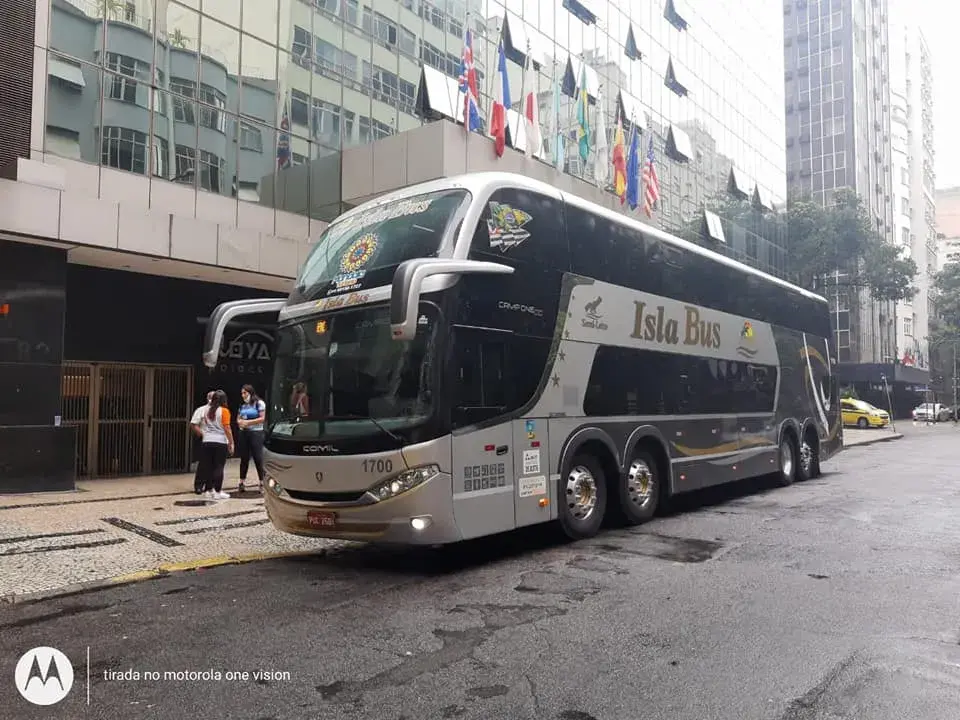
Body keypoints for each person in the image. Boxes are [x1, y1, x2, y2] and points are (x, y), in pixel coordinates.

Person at [190, 389, 234, 500]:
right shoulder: (224, 411)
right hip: (220, 441)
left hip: (207, 441)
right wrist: (231, 442)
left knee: (208, 466)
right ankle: (217, 491)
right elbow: (227, 428)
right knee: (219, 467)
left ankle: (208, 490)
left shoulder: (206, 410)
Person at [237, 384, 266, 493]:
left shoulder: (259, 403)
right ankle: (241, 482)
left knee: (258, 458)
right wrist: (240, 422)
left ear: (251, 393)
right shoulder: (243, 406)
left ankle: (262, 482)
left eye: (245, 393)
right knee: (244, 458)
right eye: (242, 393)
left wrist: (248, 422)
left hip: (256, 432)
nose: (243, 395)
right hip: (244, 433)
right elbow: (238, 418)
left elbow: (262, 418)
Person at [189, 391, 214, 494]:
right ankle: (199, 485)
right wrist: (202, 434)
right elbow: (193, 424)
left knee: (214, 464)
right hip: (205, 439)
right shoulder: (201, 410)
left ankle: (210, 486)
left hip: (217, 439)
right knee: (204, 463)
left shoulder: (221, 411)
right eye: (212, 397)